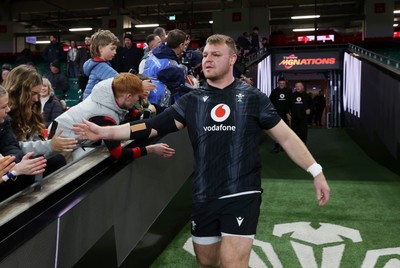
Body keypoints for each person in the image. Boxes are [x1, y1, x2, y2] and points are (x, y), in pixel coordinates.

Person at [72, 34, 330, 268]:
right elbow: (149, 127)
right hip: (204, 193)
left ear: (232, 59)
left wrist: (315, 170)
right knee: (207, 261)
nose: (207, 59)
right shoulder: (192, 101)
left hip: (242, 191)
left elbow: (286, 137)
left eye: (216, 55)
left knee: (232, 263)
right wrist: (105, 132)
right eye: (205, 54)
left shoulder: (253, 98)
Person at [49, 72, 174, 161]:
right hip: (61, 143)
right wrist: (150, 149)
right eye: (138, 96)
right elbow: (119, 154)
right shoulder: (104, 117)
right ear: (128, 96)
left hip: (61, 128)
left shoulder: (109, 89)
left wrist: (139, 114)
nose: (139, 99)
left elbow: (124, 108)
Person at [4, 65, 77, 178]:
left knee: (60, 158)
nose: (36, 99)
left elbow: (35, 144)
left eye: (38, 94)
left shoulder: (31, 110)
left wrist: (53, 145)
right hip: (15, 172)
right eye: (33, 93)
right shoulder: (4, 115)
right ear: (19, 91)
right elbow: (14, 149)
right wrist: (49, 145)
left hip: (29, 167)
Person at [0, 85, 48, 200]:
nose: (8, 110)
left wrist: (11, 165)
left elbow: (11, 146)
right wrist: (14, 170)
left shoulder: (4, 122)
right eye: (3, 107)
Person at [143, 29, 190, 113]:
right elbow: (176, 87)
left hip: (146, 95)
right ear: (181, 45)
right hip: (161, 101)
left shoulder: (155, 52)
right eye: (184, 44)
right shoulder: (171, 64)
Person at [82, 30, 119, 100]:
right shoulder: (101, 67)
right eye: (112, 49)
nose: (115, 52)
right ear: (100, 48)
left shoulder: (96, 65)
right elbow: (123, 83)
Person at [269, 77, 292, 153]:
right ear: (278, 83)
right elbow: (270, 102)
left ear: (285, 84)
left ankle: (284, 146)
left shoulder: (288, 91)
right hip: (276, 114)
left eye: (283, 83)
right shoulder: (274, 91)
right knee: (276, 131)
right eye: (280, 83)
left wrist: (289, 113)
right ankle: (276, 146)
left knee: (285, 130)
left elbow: (290, 103)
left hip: (286, 114)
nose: (282, 85)